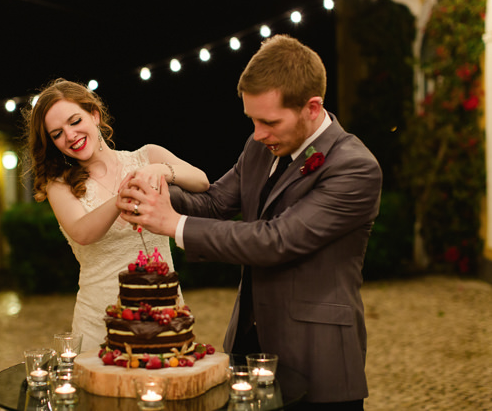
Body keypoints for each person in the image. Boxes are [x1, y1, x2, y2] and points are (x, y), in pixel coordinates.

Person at [117, 35, 382, 410]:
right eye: (252, 120)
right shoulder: (260, 146)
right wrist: (157, 194)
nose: (257, 134)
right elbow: (214, 202)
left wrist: (172, 224)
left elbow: (276, 240)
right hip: (247, 345)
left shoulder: (355, 167)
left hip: (317, 356)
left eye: (269, 121)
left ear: (312, 107)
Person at [23, 79, 210, 352]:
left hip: (163, 315)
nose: (70, 135)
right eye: (57, 133)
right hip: (99, 321)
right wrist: (119, 200)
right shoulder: (58, 184)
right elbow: (82, 232)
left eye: (75, 121)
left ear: (94, 115)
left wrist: (162, 170)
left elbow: (202, 181)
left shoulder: (148, 156)